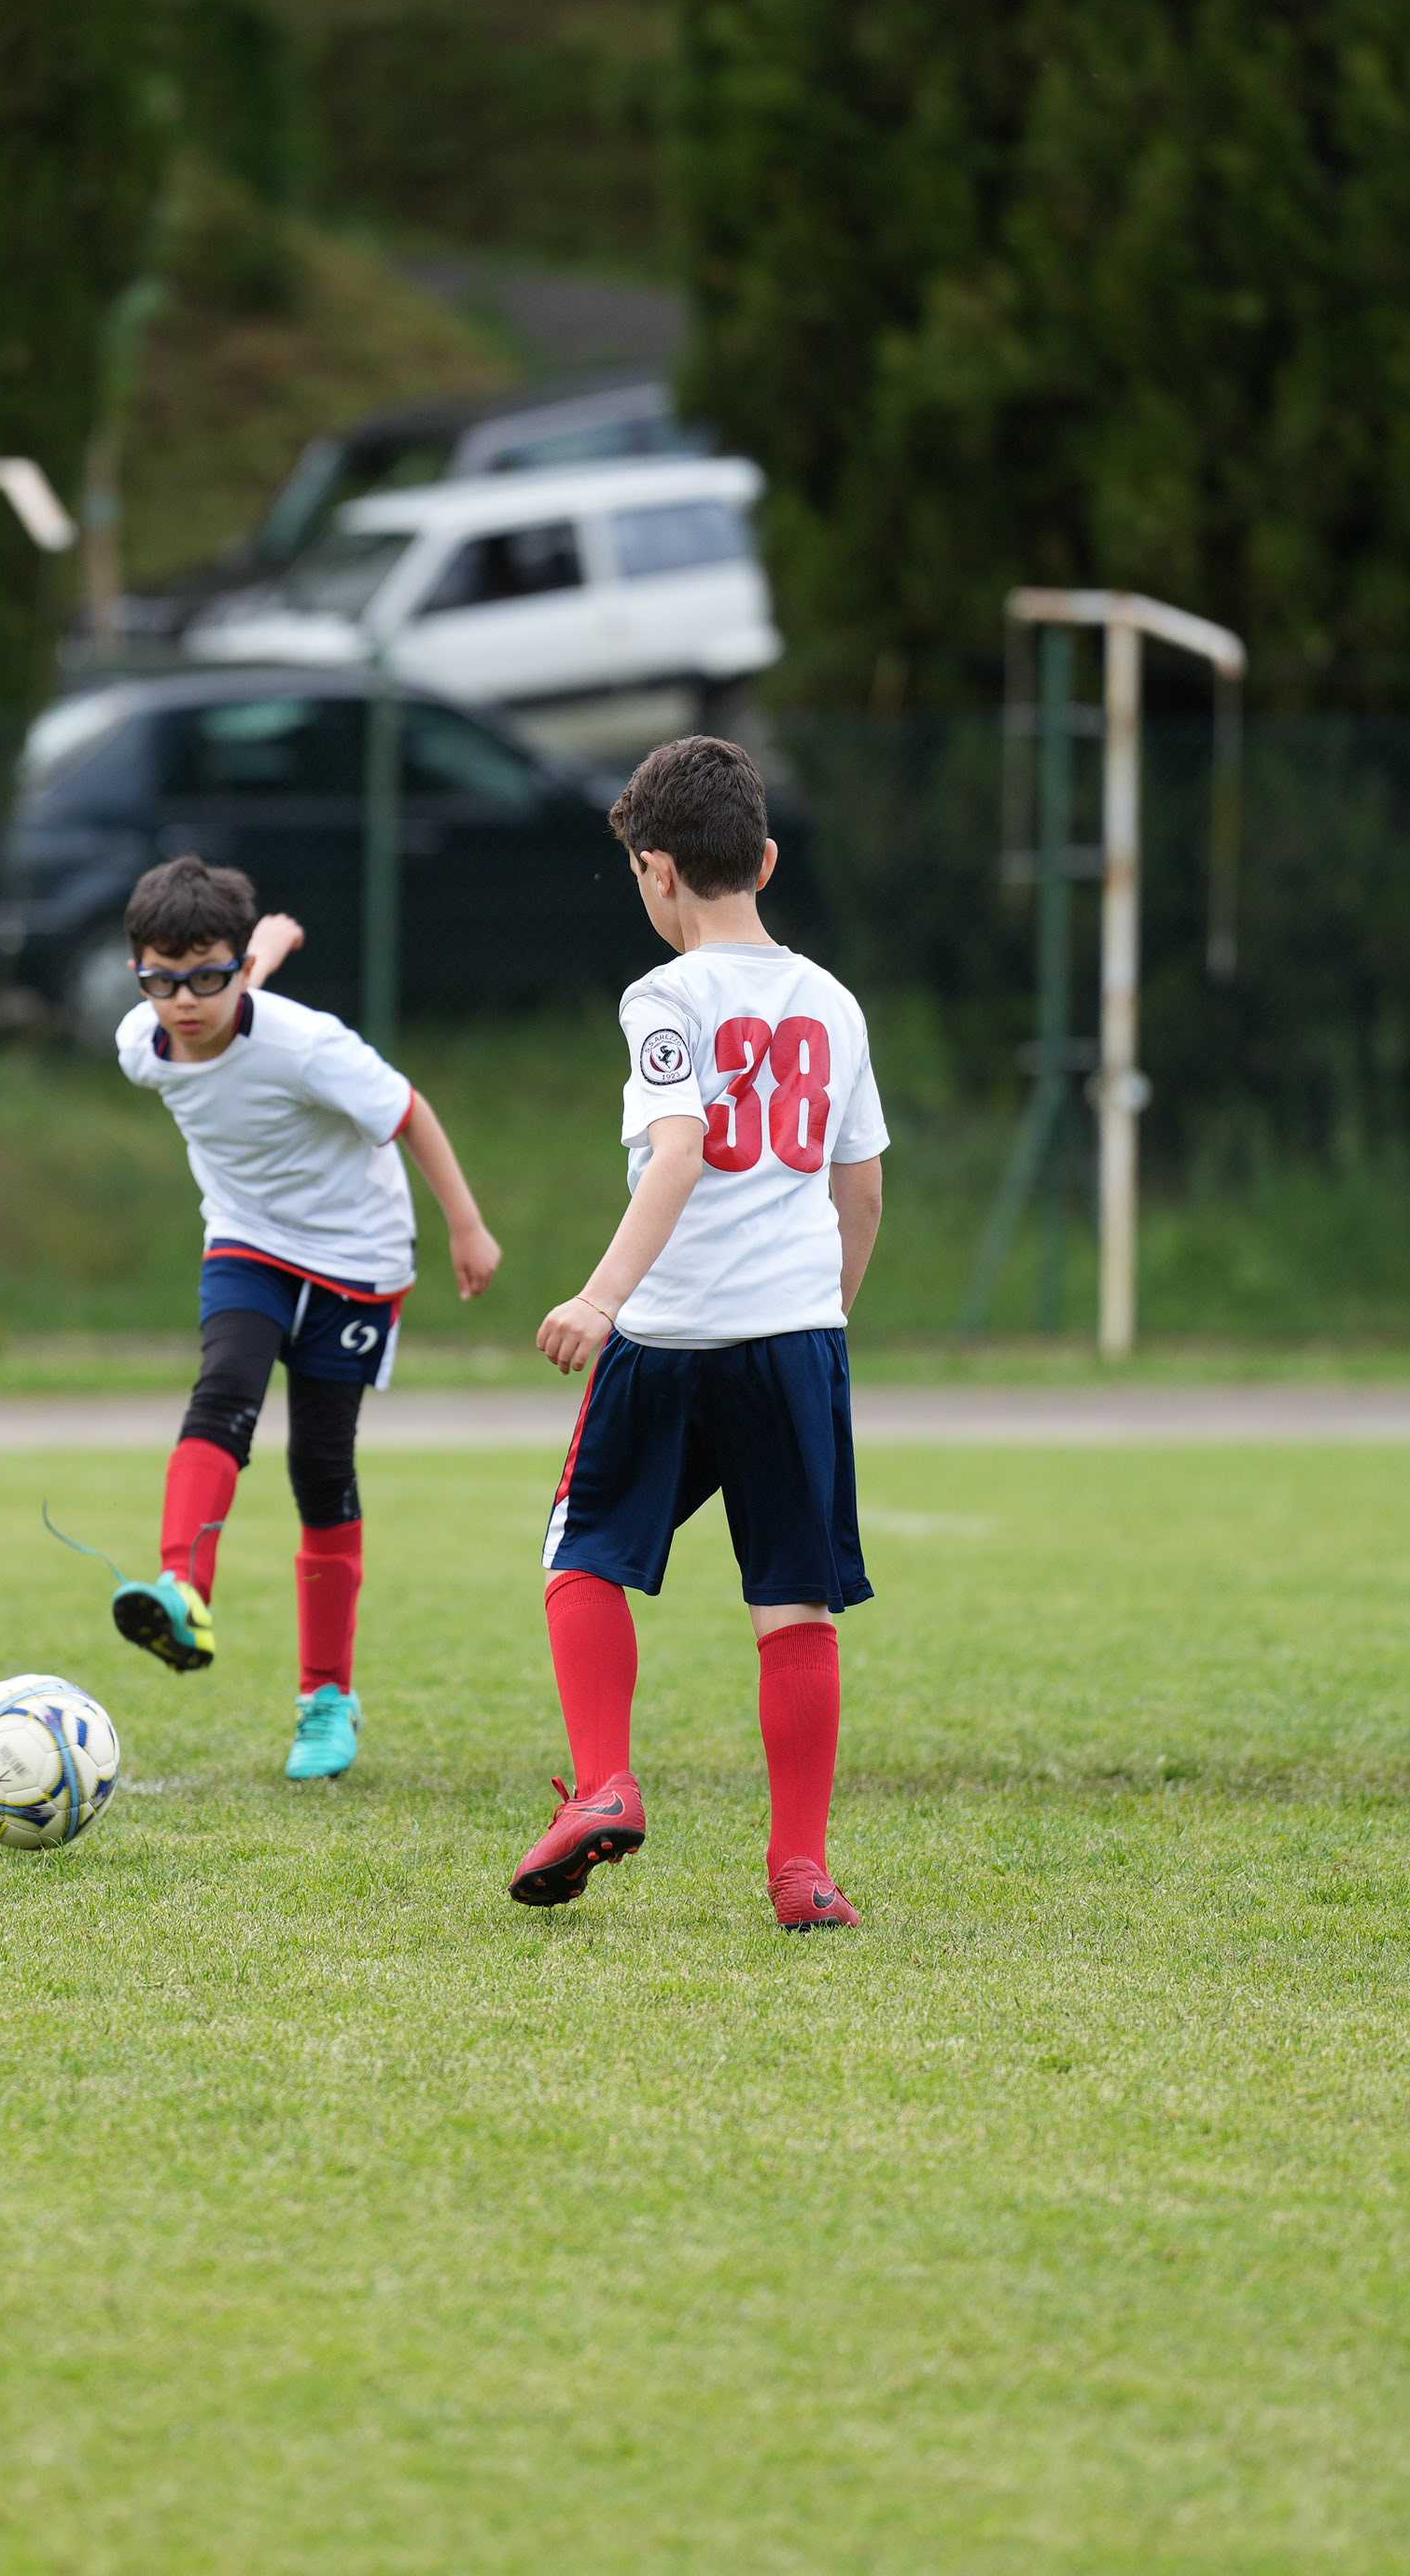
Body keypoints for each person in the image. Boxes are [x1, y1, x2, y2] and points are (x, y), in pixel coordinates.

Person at [515, 735, 887, 1930]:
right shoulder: (832, 1001)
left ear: (656, 870)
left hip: (671, 1335)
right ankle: (801, 1872)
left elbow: (677, 1155)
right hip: (796, 1338)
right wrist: (826, 1313)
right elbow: (862, 1187)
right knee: (796, 1605)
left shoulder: (664, 998)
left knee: (582, 1555)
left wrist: (599, 1298)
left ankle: (606, 1785)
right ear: (766, 861)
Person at [103, 856, 500, 1782]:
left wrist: (468, 1226)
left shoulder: (310, 1047)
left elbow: (410, 1113)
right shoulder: (140, 1042)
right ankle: (182, 1588)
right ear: (138, 975)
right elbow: (210, 997)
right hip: (247, 1241)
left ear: (240, 970)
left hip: (358, 1257)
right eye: (163, 980)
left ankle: (327, 1698)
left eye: (208, 978)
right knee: (223, 1390)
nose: (184, 1002)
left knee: (320, 1467)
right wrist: (258, 955)